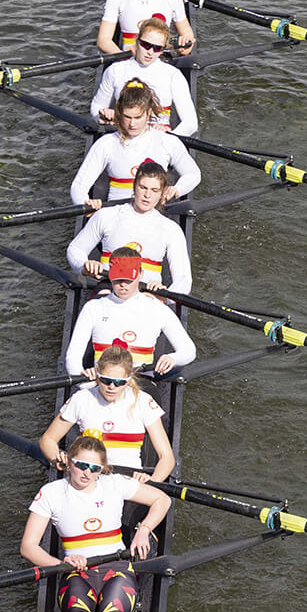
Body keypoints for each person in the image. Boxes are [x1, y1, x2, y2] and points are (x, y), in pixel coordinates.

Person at [20, 432, 171, 612]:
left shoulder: (115, 484)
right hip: (76, 573)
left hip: (117, 569)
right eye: (81, 465)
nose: (87, 473)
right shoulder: (51, 493)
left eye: (95, 468)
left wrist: (144, 529)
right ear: (69, 462)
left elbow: (162, 499)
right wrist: (61, 563)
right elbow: (28, 547)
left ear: (103, 469)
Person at [42, 341, 176, 482]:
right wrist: (56, 458)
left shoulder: (143, 401)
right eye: (106, 380)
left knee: (161, 501)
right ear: (97, 375)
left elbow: (167, 457)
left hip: (128, 480)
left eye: (119, 382)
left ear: (129, 378)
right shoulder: (82, 399)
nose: (112, 386)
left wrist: (151, 482)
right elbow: (48, 440)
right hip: (90, 476)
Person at [62, 250, 195, 379]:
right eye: (118, 279)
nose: (123, 285)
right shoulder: (93, 308)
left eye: (128, 279)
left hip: (140, 381)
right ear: (110, 276)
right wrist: (85, 385)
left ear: (141, 274)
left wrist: (172, 358)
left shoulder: (158, 309)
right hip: (103, 381)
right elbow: (72, 356)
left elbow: (188, 351)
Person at [66, 162, 192, 293]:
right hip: (109, 290)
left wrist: (165, 297)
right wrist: (84, 266)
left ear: (162, 193)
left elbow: (183, 279)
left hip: (148, 296)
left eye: (154, 190)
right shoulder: (106, 215)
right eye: (143, 187)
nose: (147, 195)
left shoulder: (171, 229)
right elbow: (75, 248)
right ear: (134, 187)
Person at [70, 81, 200, 206]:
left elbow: (193, 174)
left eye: (138, 117)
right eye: (127, 117)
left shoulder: (167, 141)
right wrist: (85, 204)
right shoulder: (106, 144)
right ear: (119, 113)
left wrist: (177, 189)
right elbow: (79, 186)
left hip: (154, 213)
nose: (132, 124)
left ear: (148, 113)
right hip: (116, 215)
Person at [91, 19, 199, 137]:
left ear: (163, 49)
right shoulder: (116, 70)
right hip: (124, 135)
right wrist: (101, 115)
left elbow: (191, 123)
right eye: (146, 45)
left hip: (159, 138)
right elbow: (97, 105)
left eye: (157, 48)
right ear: (137, 41)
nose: (150, 52)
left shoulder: (173, 75)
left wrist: (169, 137)